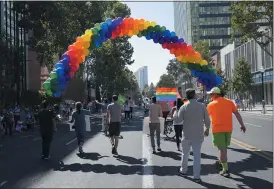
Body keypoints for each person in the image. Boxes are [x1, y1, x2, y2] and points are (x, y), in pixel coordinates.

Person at [207, 87, 246, 177]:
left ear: (216, 94)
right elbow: (236, 113)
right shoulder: (229, 102)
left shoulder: (211, 104)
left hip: (217, 130)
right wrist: (242, 125)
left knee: (222, 149)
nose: (210, 96)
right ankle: (221, 162)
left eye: (211, 94)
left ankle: (225, 169)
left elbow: (206, 117)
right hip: (228, 129)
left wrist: (205, 128)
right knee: (223, 149)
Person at [178, 89, 210, 183]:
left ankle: (183, 171)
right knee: (197, 156)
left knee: (185, 154)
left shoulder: (183, 107)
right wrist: (207, 129)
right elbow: (207, 120)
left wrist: (176, 111)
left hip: (187, 135)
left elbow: (179, 120)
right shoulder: (202, 106)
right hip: (198, 135)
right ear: (194, 95)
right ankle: (196, 176)